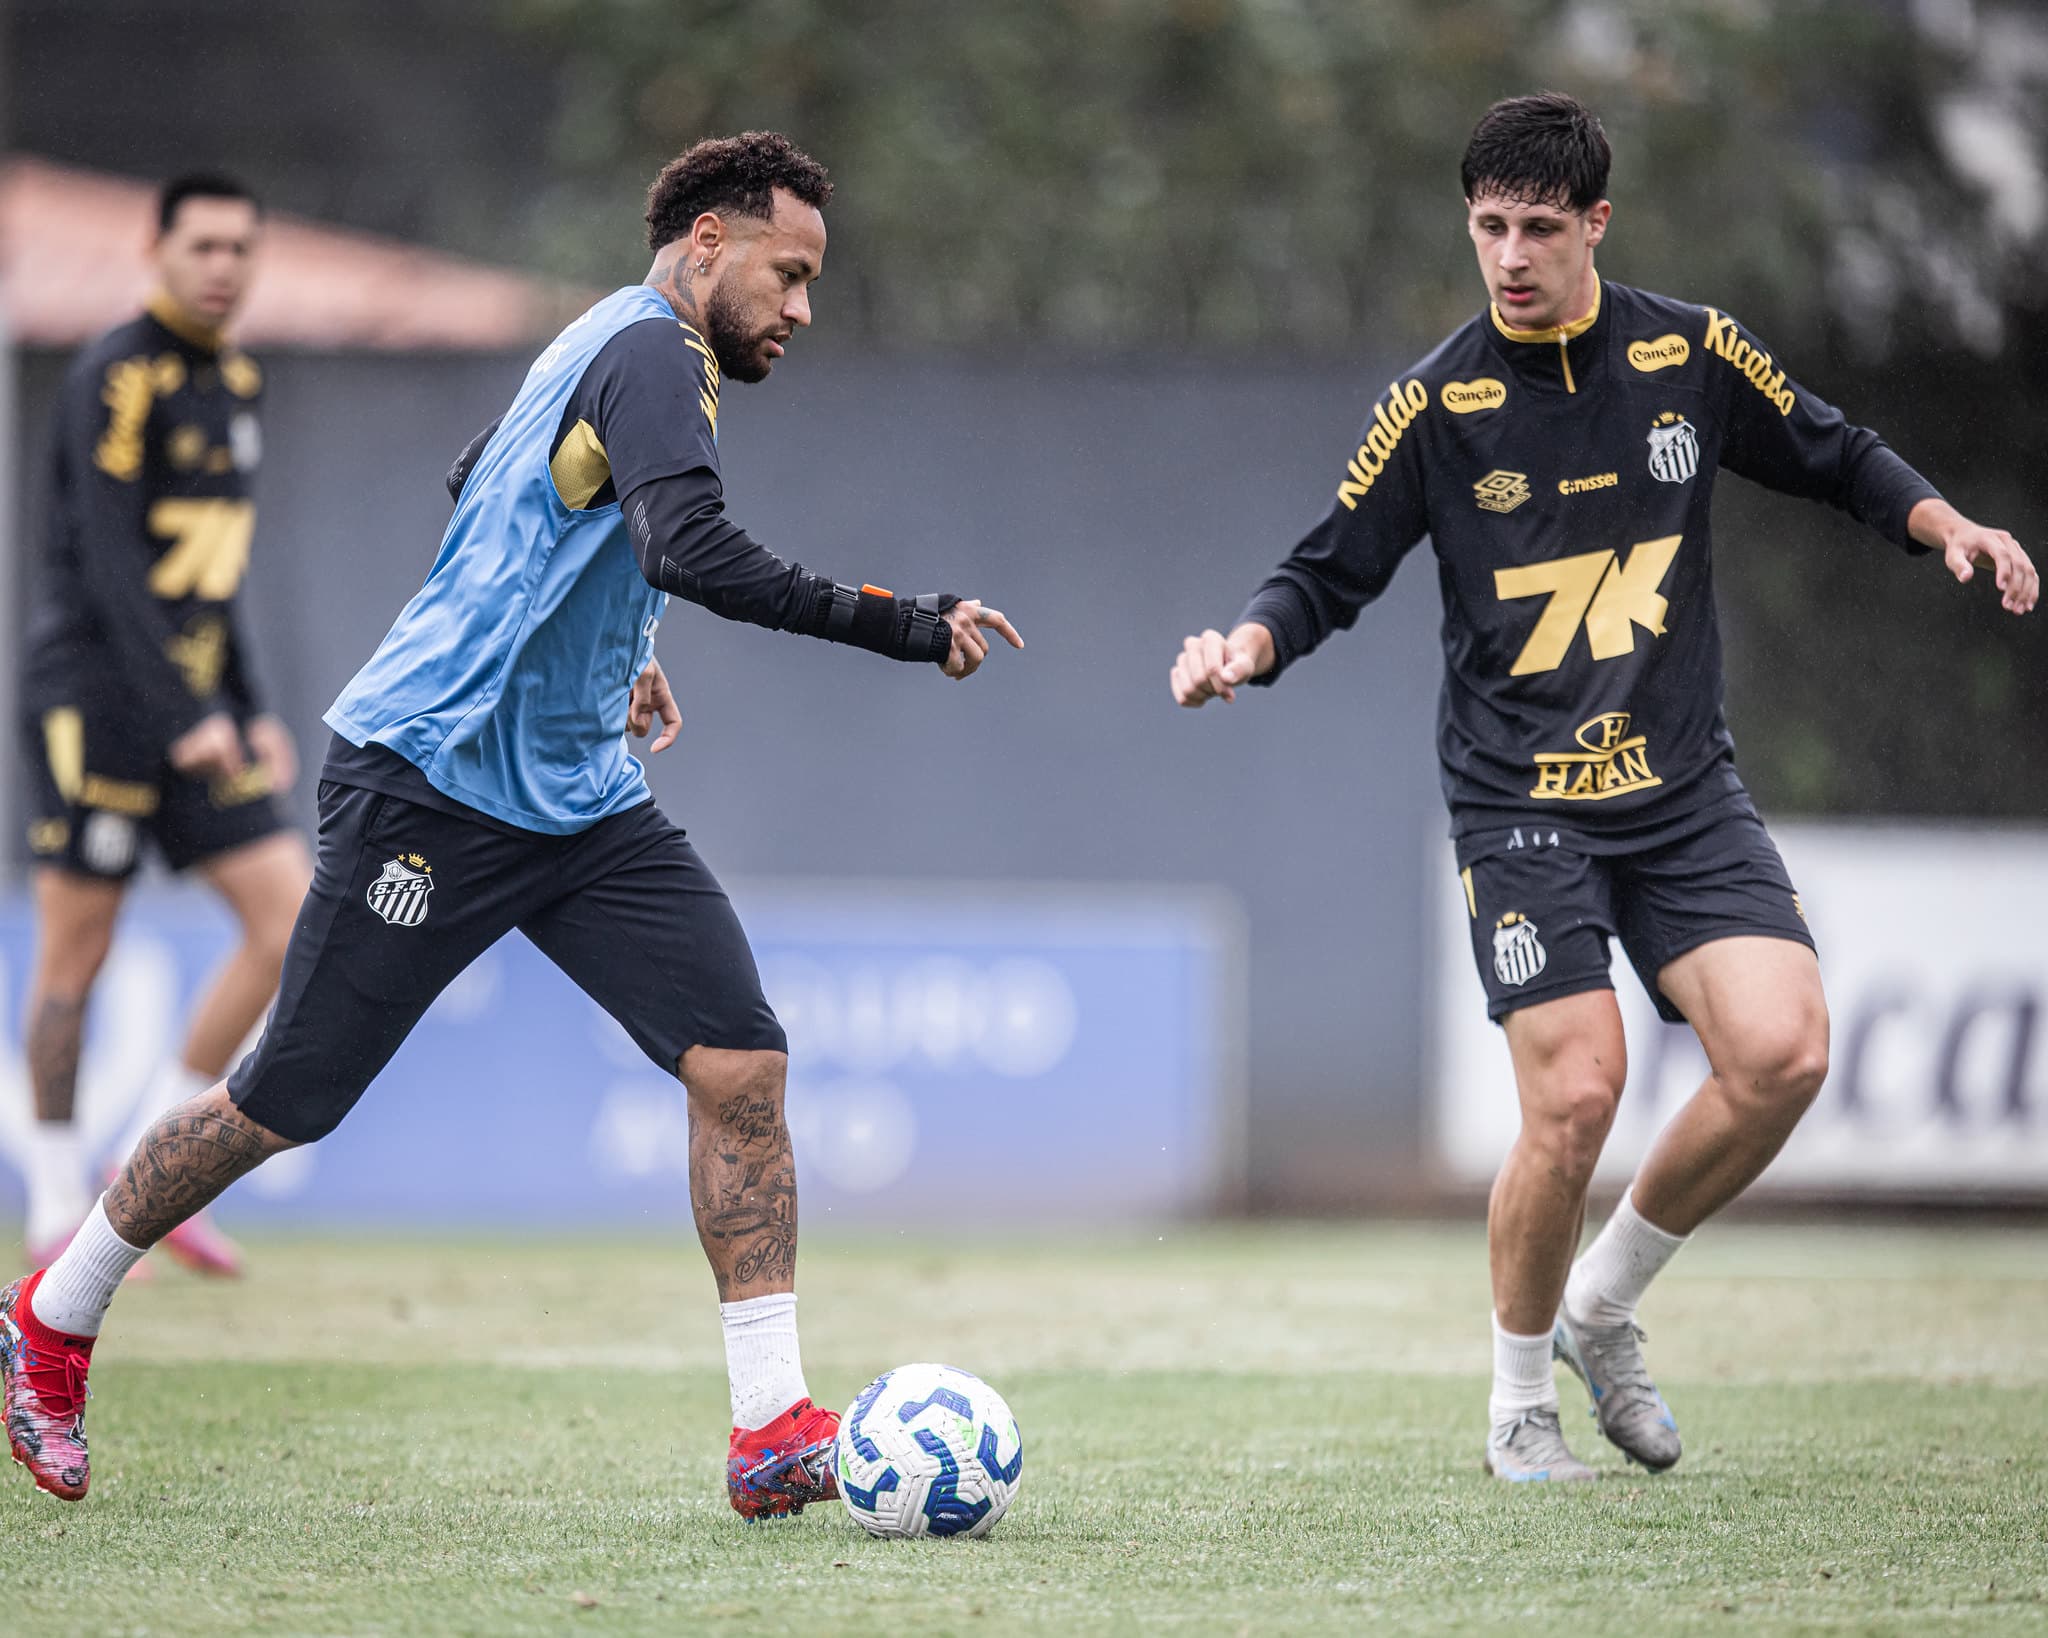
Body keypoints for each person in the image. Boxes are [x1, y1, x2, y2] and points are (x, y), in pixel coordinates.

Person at [1, 131, 1022, 1510]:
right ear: (708, 245)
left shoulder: (607, 343)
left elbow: (498, 479)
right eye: (788, 275)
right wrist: (906, 624)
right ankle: (52, 1318)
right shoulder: (656, 353)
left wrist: (616, 644)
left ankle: (772, 1423)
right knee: (281, 1100)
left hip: (582, 797)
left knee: (741, 1065)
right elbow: (694, 546)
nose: (803, 309)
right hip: (431, 782)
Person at [1170, 93, 2036, 1482]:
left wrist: (1949, 526)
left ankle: (1602, 1305)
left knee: (1785, 1052)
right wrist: (1246, 644)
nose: (1510, 256)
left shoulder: (1686, 352)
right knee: (1578, 1093)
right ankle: (1519, 1402)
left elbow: (1834, 450)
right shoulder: (1435, 403)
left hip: (1682, 789)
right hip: (1520, 800)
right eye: (1488, 228)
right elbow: (1328, 567)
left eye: (1538, 229)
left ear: (1596, 225)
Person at [15, 173, 312, 1283]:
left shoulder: (238, 378)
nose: (224, 267)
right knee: (75, 956)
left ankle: (149, 1163)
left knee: (287, 920)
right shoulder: (115, 374)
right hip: (94, 704)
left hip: (196, 712)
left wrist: (244, 708)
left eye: (243, 247)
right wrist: (186, 713)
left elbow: (213, 577)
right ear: (160, 250)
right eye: (204, 246)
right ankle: (51, 1200)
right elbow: (107, 561)